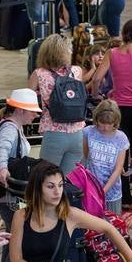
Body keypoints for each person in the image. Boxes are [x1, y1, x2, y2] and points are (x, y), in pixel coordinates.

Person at [91, 19, 132, 208]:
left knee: (120, 153)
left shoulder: (111, 53)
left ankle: (125, 197)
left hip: (119, 109)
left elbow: (96, 78)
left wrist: (97, 96)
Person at [28, 34, 85, 174]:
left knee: (46, 178)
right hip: (78, 133)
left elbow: (26, 99)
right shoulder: (77, 71)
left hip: (54, 133)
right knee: (68, 182)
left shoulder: (39, 74)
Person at [83, 99, 129, 214]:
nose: (105, 127)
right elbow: (85, 158)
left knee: (113, 224)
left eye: (110, 124)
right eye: (102, 123)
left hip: (112, 191)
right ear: (96, 119)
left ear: (116, 121)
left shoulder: (121, 138)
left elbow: (118, 169)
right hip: (91, 189)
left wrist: (103, 191)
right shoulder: (88, 132)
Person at [0, 89, 42, 187]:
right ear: (20, 110)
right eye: (32, 111)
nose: (36, 115)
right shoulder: (9, 129)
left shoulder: (17, 125)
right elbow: (2, 148)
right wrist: (3, 169)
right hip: (4, 187)